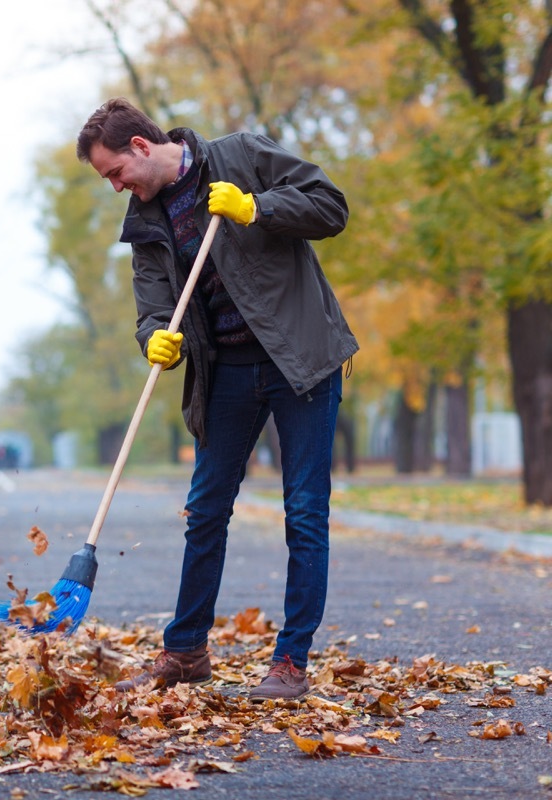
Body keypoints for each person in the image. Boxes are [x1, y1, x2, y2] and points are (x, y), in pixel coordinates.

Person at [76, 98, 358, 701]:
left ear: (141, 148)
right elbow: (152, 302)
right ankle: (184, 652)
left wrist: (258, 207)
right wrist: (154, 337)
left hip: (299, 360)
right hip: (226, 369)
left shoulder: (241, 156)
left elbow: (331, 208)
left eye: (114, 172)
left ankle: (291, 661)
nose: (114, 186)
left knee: (305, 511)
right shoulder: (145, 223)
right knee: (205, 510)